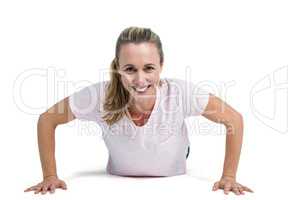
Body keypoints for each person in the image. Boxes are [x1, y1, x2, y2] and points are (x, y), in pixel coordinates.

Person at [24, 26, 253, 195]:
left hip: (174, 169)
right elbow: (47, 120)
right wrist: (50, 176)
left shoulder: (180, 92)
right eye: (130, 69)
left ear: (161, 66)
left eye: (149, 68)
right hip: (119, 175)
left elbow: (234, 119)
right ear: (117, 67)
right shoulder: (99, 96)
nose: (140, 79)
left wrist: (229, 176)